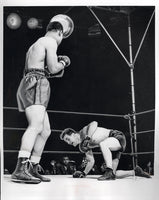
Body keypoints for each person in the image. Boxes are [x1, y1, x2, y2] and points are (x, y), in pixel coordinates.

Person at [11, 16, 74, 184]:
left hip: (30, 81)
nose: (61, 40)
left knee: (45, 130)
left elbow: (40, 67)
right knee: (36, 126)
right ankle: (20, 168)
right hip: (37, 83)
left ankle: (32, 166)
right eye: (63, 36)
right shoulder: (50, 42)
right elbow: (53, 68)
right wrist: (63, 63)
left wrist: (54, 66)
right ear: (59, 32)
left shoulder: (35, 44)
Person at [60, 121, 151, 180]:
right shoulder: (82, 146)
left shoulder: (84, 132)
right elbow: (91, 161)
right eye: (66, 141)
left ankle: (109, 171)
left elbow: (94, 123)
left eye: (68, 139)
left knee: (103, 144)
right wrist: (83, 173)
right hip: (111, 147)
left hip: (116, 137)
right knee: (114, 174)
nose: (68, 143)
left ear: (73, 134)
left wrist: (88, 137)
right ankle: (136, 171)